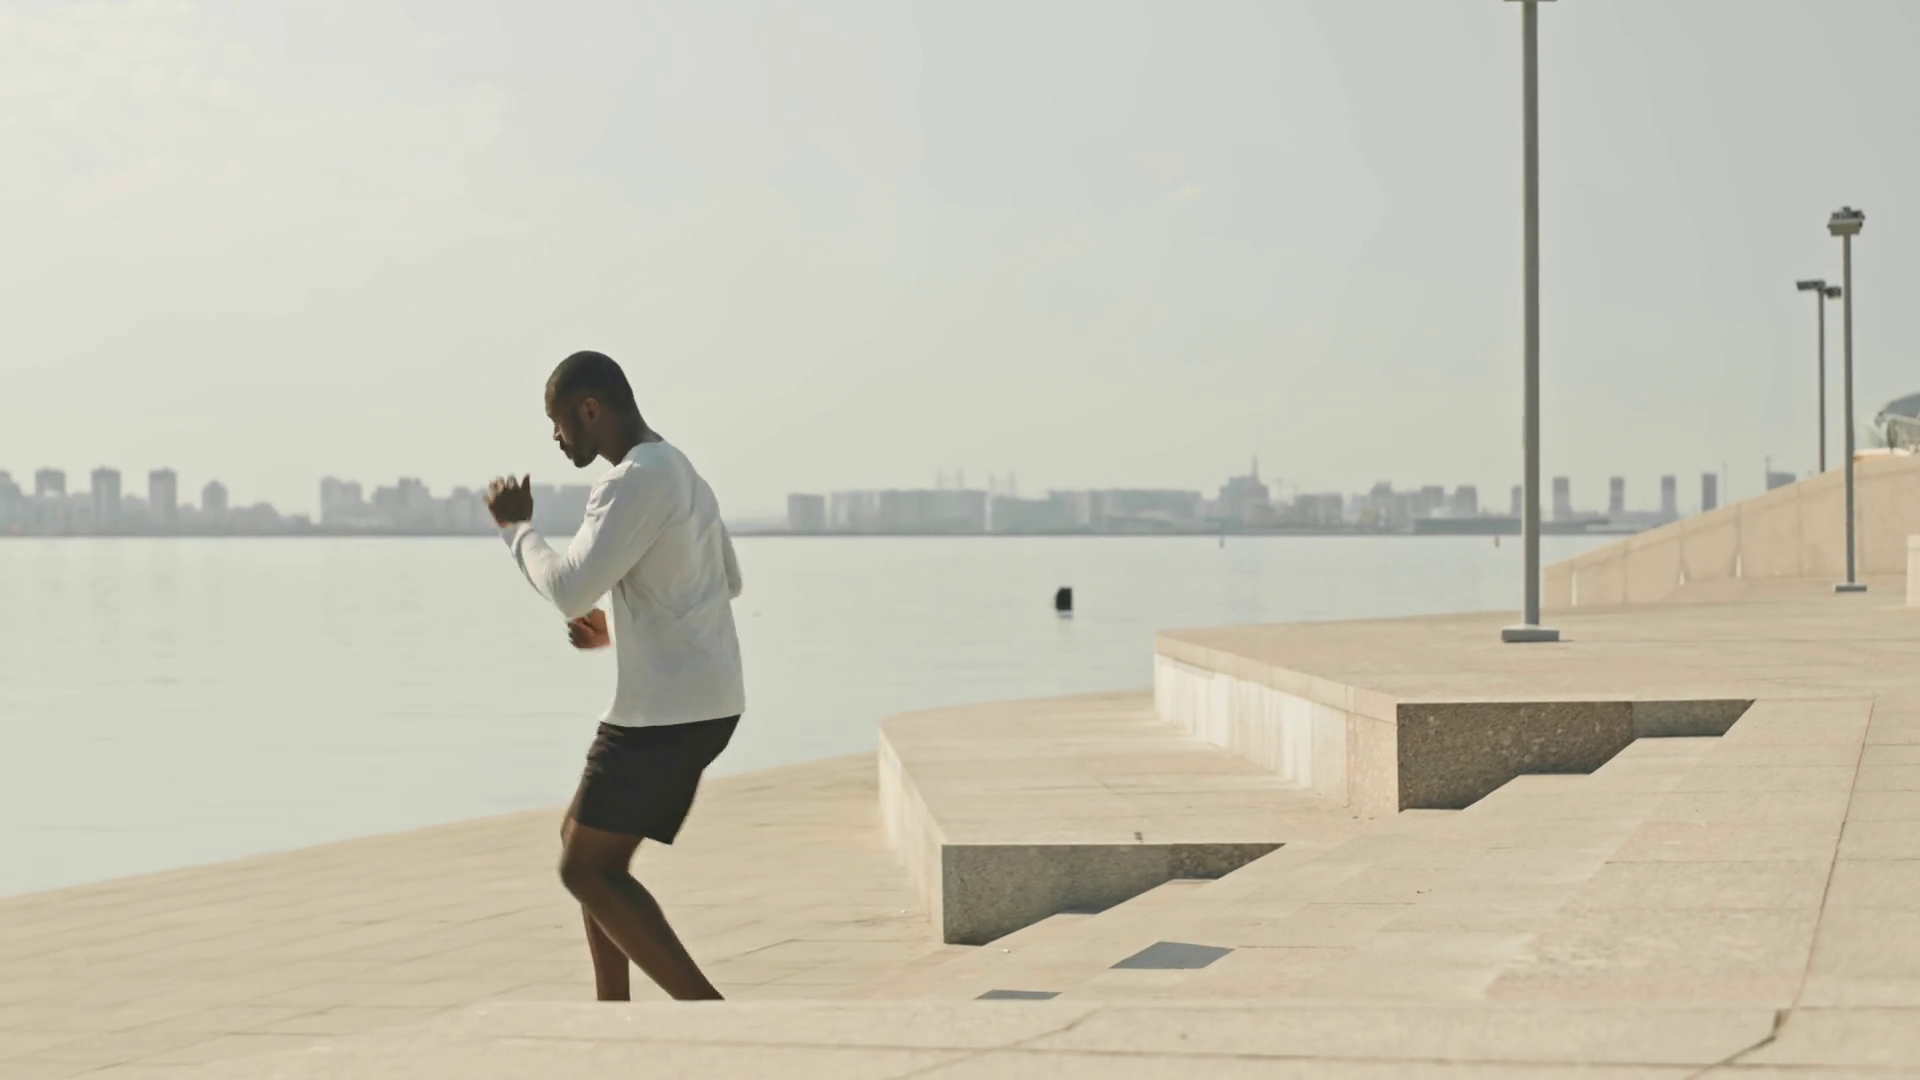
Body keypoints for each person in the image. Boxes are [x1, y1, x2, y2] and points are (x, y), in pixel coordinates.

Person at [484, 350, 745, 1002]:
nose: (555, 436)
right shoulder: (681, 470)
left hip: (665, 712)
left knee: (587, 870)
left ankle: (712, 1018)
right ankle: (613, 1016)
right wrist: (618, 629)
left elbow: (569, 589)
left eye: (557, 421)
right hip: (708, 702)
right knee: (583, 846)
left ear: (590, 409)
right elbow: (724, 581)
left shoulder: (631, 480)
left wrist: (517, 529)